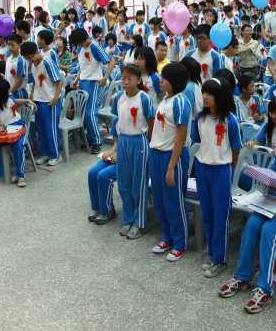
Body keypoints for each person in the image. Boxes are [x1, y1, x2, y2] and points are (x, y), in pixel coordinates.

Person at [218, 120, 276, 314]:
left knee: (270, 230)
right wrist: (262, 176)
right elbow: (272, 180)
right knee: (252, 224)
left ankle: (265, 289)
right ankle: (242, 276)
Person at [192, 77, 242, 272]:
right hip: (202, 168)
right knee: (208, 214)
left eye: (210, 93)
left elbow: (236, 150)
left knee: (221, 216)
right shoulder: (200, 118)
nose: (204, 97)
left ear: (220, 96)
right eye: (203, 92)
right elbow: (198, 142)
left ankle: (220, 259)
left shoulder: (230, 121)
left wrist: (229, 172)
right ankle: (212, 251)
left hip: (221, 170)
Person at [103, 64, 154, 238]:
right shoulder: (119, 97)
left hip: (139, 141)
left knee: (138, 184)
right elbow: (118, 119)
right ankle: (128, 219)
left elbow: (151, 122)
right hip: (123, 140)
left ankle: (140, 223)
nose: (125, 82)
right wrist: (116, 146)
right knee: (124, 183)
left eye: (129, 79)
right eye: (123, 78)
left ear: (138, 80)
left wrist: (150, 144)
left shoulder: (144, 98)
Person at [149, 62, 193, 260]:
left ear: (174, 81)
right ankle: (167, 237)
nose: (160, 80)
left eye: (164, 78)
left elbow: (181, 137)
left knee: (174, 202)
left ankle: (180, 242)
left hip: (173, 156)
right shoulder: (165, 100)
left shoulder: (181, 102)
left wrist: (171, 167)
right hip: (157, 153)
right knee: (159, 200)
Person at [69, 28, 115, 154]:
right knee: (83, 113)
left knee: (90, 113)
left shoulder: (95, 47)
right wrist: (76, 80)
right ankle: (89, 138)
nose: (79, 45)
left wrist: (105, 78)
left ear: (85, 38)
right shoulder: (81, 48)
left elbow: (111, 61)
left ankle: (97, 142)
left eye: (80, 43)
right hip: (83, 82)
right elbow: (81, 67)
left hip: (94, 83)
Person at [0, 78, 33, 187]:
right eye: (6, 90)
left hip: (17, 126)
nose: (9, 91)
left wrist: (27, 100)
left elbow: (15, 101)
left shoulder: (10, 97)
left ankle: (20, 175)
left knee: (18, 146)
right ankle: (4, 173)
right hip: (1, 130)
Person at [22, 41, 64, 166]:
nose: (29, 60)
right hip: (38, 99)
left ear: (36, 52)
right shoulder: (32, 64)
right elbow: (36, 80)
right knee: (41, 129)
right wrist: (32, 93)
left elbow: (60, 80)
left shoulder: (47, 62)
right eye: (27, 58)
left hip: (50, 100)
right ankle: (45, 154)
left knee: (51, 129)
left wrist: (55, 98)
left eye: (30, 57)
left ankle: (55, 155)